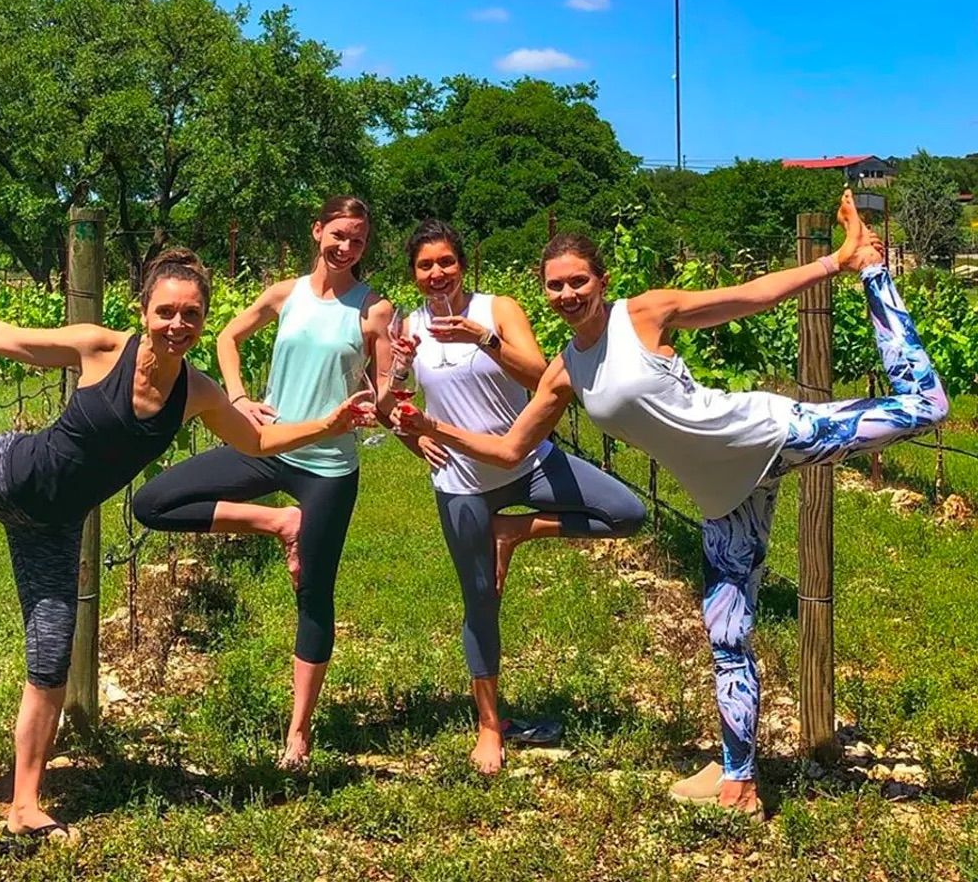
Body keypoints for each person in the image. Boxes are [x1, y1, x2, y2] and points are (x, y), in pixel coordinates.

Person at [398, 191, 947, 816]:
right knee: (728, 636)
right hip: (723, 496)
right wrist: (428, 428)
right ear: (544, 292)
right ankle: (739, 780)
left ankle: (874, 268)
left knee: (925, 407)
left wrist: (839, 264)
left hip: (765, 435)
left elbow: (747, 296)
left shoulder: (644, 315)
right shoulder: (564, 371)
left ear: (601, 281)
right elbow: (506, 450)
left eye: (578, 280)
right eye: (555, 286)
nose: (567, 293)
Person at [0, 248, 372, 844]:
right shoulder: (101, 348)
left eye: (191, 315)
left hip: (55, 527)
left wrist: (331, 424)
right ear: (143, 311)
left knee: (49, 660)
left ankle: (25, 804)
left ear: (204, 320)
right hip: (5, 476)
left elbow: (260, 440)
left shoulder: (198, 392)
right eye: (165, 310)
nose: (177, 325)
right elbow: (2, 338)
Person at [133, 196, 397, 769]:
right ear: (317, 231)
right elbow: (228, 337)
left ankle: (298, 732)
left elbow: (381, 395)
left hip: (329, 465)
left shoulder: (374, 309)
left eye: (358, 240)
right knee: (153, 502)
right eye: (338, 235)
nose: (346, 247)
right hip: (270, 447)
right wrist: (238, 398)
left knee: (314, 596)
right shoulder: (286, 294)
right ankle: (279, 522)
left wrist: (394, 377)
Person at [397, 219, 645, 774]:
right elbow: (389, 400)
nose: (437, 274)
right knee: (480, 601)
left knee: (627, 513)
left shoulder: (497, 309)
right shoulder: (408, 326)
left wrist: (483, 340)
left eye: (446, 262)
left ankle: (516, 529)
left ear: (463, 265)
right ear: (413, 274)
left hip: (531, 462)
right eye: (425, 265)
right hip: (462, 481)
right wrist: (413, 437)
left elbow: (543, 376)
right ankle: (490, 725)